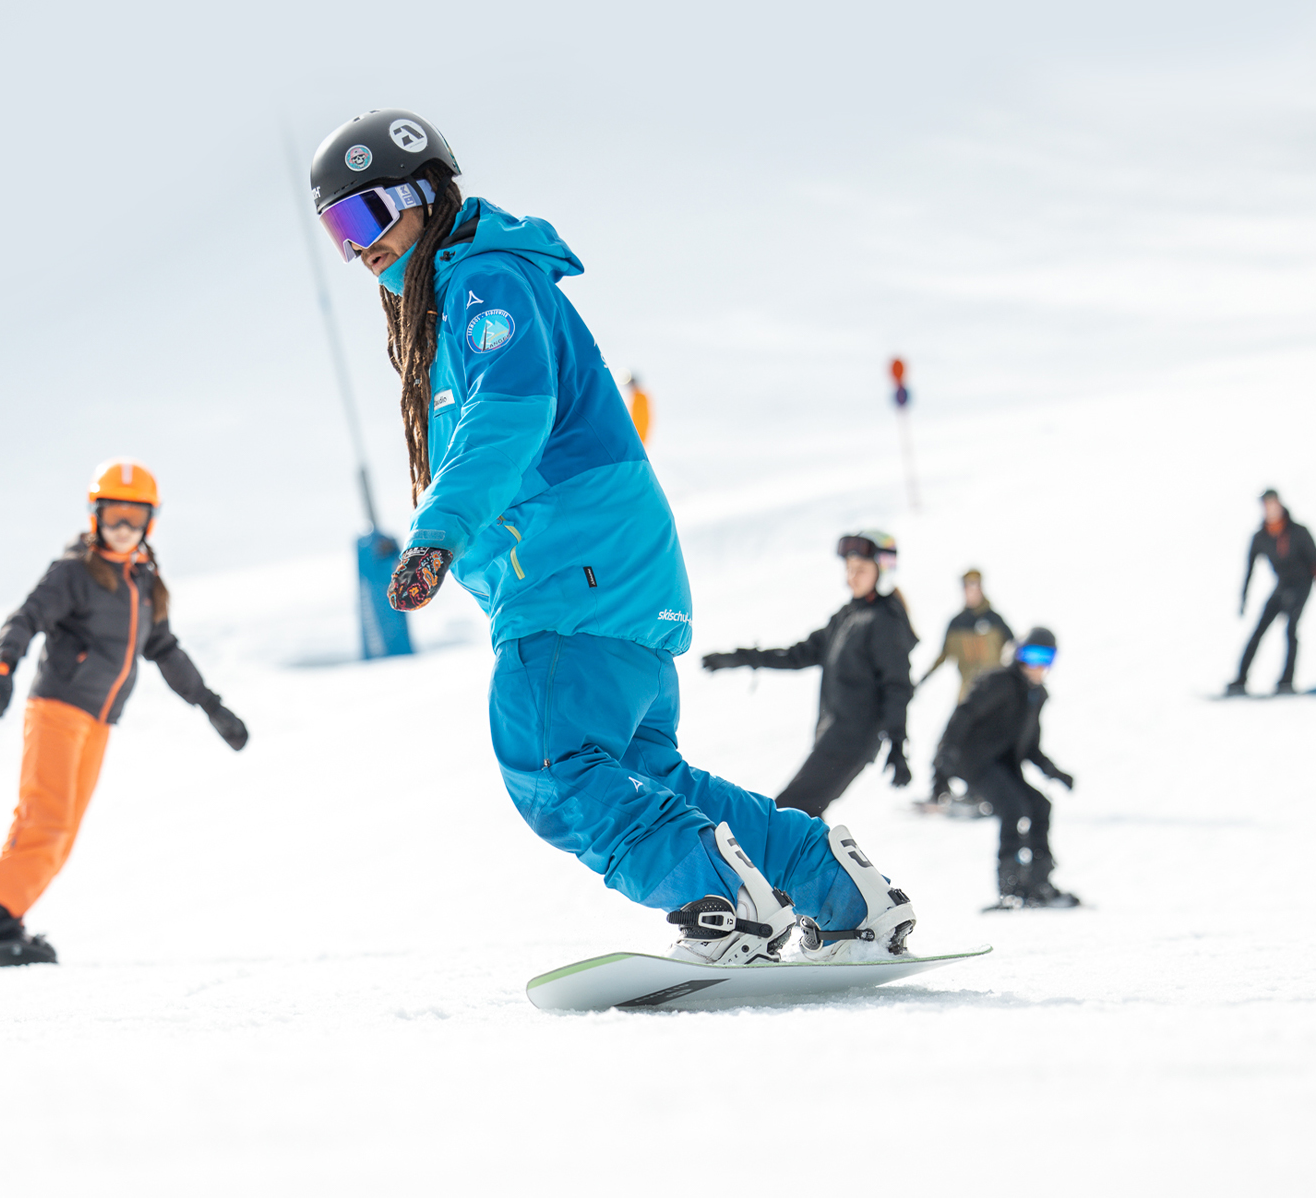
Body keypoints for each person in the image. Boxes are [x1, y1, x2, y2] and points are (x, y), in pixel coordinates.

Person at [308, 109, 914, 965]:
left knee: (546, 756)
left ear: (425, 195)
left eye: (367, 217)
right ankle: (839, 892)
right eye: (337, 229)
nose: (357, 246)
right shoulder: (464, 293)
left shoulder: (483, 282)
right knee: (651, 781)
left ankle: (723, 902)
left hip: (571, 574)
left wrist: (437, 533)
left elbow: (507, 416)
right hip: (614, 576)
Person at [0, 459, 250, 967]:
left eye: (133, 518)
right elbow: (25, 618)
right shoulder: (74, 572)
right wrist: (4, 669)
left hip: (97, 721)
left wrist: (211, 705)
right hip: (56, 707)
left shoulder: (142, 585)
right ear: (95, 516)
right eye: (113, 515)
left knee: (64, 826)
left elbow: (166, 651)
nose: (122, 528)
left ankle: (6, 917)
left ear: (149, 523)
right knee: (45, 817)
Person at [701, 532, 919, 818]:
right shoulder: (848, 616)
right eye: (849, 569)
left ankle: (783, 860)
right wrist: (741, 658)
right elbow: (798, 654)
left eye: (861, 570)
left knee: (789, 812)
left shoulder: (884, 623)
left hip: (852, 740)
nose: (851, 577)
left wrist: (897, 743)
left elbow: (897, 686)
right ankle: (807, 861)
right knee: (799, 814)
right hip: (833, 736)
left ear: (883, 572)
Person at [937, 626, 1078, 908]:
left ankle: (1038, 883)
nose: (1037, 665)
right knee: (1013, 809)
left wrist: (1054, 772)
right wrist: (944, 761)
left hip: (1003, 766)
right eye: (1031, 655)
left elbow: (1030, 748)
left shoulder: (1035, 696)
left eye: (1045, 658)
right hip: (975, 762)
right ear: (1018, 654)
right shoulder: (998, 681)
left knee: (1040, 806)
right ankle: (1010, 887)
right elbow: (963, 715)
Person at [922, 568, 1014, 812]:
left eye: (975, 585)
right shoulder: (957, 623)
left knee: (984, 748)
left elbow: (1014, 650)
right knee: (948, 742)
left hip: (994, 700)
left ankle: (980, 794)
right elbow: (942, 656)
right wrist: (920, 680)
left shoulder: (994, 620)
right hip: (967, 697)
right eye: (966, 586)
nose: (971, 590)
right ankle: (939, 791)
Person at [1228, 488, 1316, 696]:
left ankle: (1286, 681)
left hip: (1303, 583)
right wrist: (1243, 599)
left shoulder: (1298, 531)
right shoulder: (1261, 536)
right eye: (1266, 505)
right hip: (1282, 585)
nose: (1271, 509)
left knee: (1290, 629)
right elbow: (1249, 569)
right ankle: (1240, 680)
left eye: (1273, 504)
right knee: (1259, 630)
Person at [622, 370, 652, 446]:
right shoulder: (635, 397)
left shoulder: (640, 397)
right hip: (636, 432)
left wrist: (636, 432)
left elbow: (642, 417)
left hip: (638, 432)